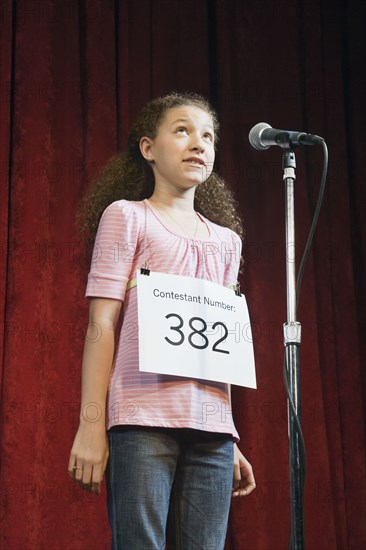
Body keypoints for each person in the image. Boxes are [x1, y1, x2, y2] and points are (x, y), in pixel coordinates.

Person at [68, 91, 256, 549]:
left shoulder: (227, 242)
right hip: (142, 422)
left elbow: (219, 348)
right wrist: (92, 423)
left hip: (211, 434)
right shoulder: (128, 217)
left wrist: (228, 433)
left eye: (208, 136)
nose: (199, 143)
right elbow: (101, 327)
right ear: (148, 148)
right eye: (182, 130)